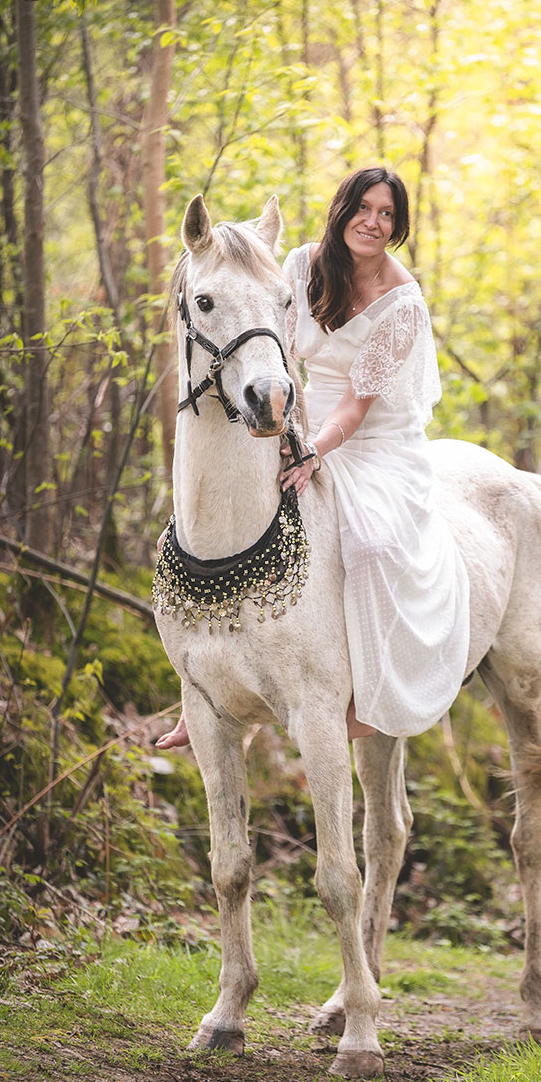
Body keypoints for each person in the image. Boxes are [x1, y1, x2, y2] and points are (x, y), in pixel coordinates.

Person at [156, 166, 469, 749]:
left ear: (397, 227)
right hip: (297, 413)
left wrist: (310, 450)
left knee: (371, 541)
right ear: (343, 208)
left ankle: (370, 693)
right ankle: (196, 692)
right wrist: (285, 428)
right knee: (210, 518)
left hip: (374, 442)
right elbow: (275, 350)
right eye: (364, 208)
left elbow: (354, 407)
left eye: (387, 214)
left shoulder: (401, 301)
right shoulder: (299, 265)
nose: (372, 222)